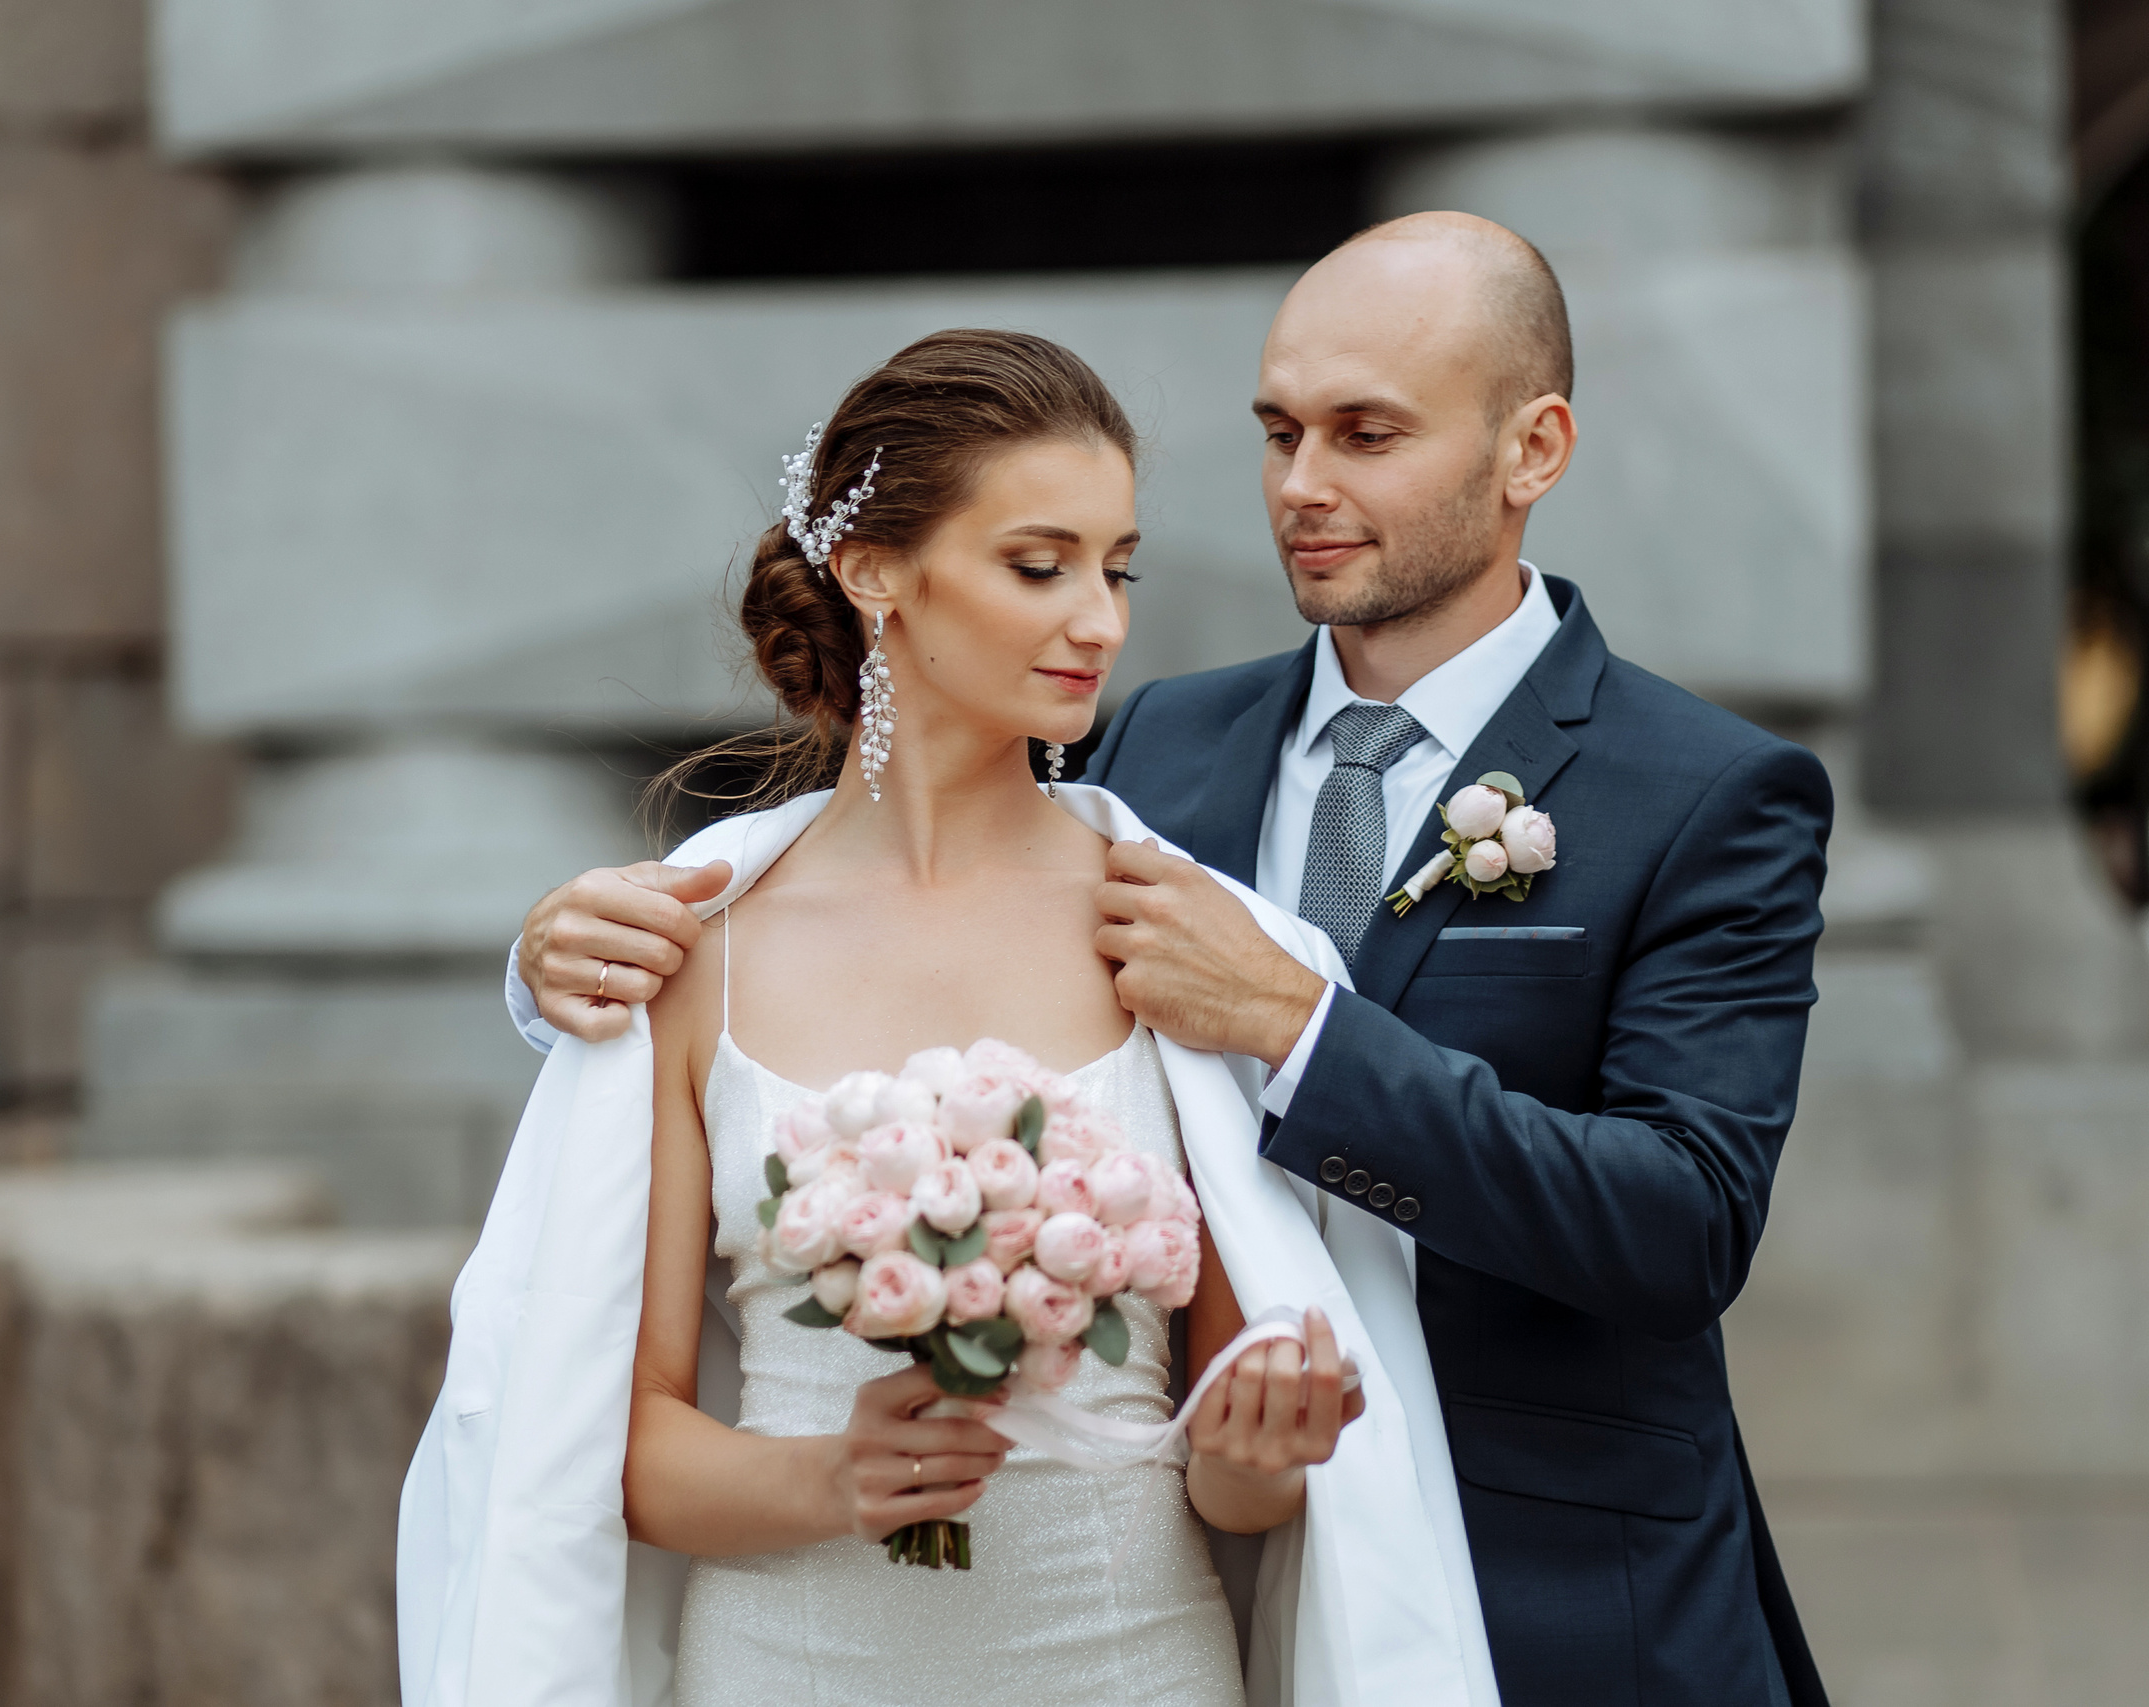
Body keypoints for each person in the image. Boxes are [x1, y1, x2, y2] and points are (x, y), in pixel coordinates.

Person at [503, 215, 1836, 1707]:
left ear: (1533, 449)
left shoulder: (1709, 793)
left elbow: (1683, 1224)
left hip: (1560, 1591)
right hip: (1050, 1592)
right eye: (1278, 432)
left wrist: (1301, 1028)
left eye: (1366, 434)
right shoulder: (1157, 751)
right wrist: (562, 969)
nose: (1302, 484)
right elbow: (894, 901)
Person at [400, 330, 1499, 1707]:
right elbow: (617, 1448)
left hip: (1130, 1670)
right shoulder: (697, 952)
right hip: (789, 1674)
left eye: (1118, 569)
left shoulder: (1172, 939)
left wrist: (1263, 1450)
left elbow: (1236, 1483)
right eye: (1041, 566)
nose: (1100, 621)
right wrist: (831, 1478)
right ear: (874, 572)